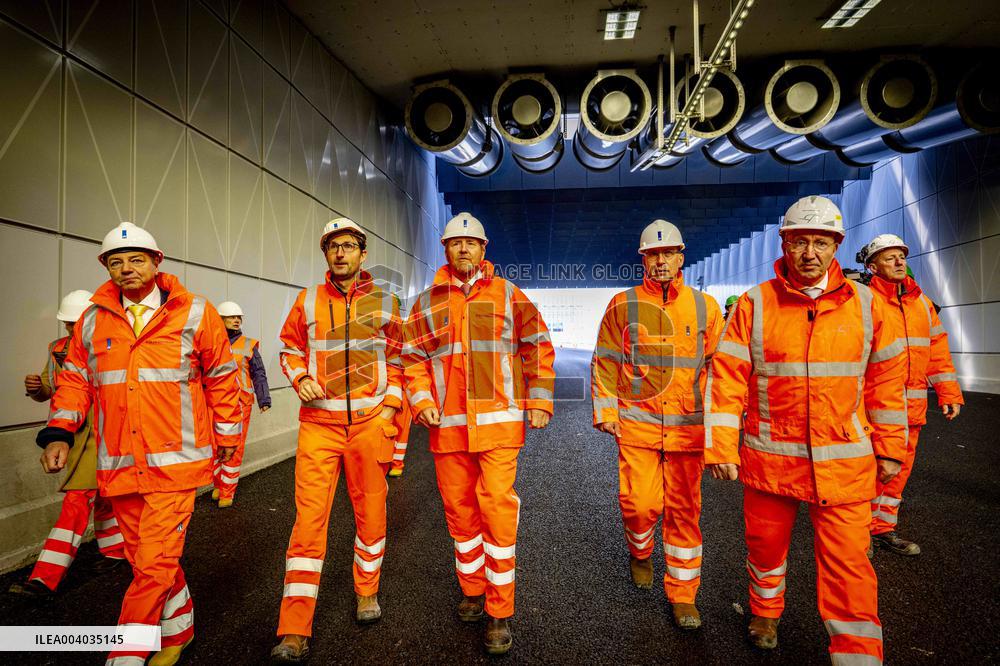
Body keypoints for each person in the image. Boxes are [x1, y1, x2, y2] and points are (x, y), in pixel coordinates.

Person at [704, 196, 907, 663]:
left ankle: (856, 653)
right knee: (765, 548)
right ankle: (765, 611)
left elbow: (887, 382)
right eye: (799, 242)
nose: (809, 253)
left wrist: (892, 446)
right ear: (785, 244)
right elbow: (727, 379)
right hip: (771, 460)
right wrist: (720, 448)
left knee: (850, 566)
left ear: (836, 245)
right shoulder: (755, 304)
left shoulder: (867, 305)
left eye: (820, 242)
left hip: (844, 463)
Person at [37, 222, 243, 665]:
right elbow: (75, 381)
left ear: (156, 262)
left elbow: (223, 378)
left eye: (135, 259)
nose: (126, 268)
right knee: (147, 559)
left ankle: (125, 655)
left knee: (151, 565)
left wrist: (227, 434)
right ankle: (179, 627)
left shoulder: (195, 312)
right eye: (116, 261)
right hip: (119, 463)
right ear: (106, 268)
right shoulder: (92, 321)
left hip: (176, 464)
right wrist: (58, 433)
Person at [402, 211, 555, 655]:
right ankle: (472, 590)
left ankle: (499, 611)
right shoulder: (426, 303)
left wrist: (540, 401)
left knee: (498, 513)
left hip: (499, 427)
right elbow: (410, 358)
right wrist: (421, 399)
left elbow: (538, 346)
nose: (464, 248)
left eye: (471, 243)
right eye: (455, 243)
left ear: (484, 250)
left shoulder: (509, 296)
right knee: (461, 517)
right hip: (447, 429)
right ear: (445, 250)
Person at [271, 217, 403, 662]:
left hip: (369, 424)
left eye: (348, 246)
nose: (340, 253)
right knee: (308, 525)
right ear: (326, 255)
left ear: (363, 253)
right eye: (332, 247)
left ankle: (367, 592)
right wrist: (300, 375)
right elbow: (288, 349)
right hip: (319, 428)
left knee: (371, 513)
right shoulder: (307, 301)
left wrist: (389, 407)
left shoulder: (386, 301)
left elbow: (403, 358)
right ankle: (294, 627)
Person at [591, 219, 723, 629]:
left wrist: (722, 430)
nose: (661, 261)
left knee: (685, 512)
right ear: (643, 260)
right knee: (639, 504)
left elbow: (722, 370)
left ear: (681, 257)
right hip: (638, 425)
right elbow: (607, 361)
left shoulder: (706, 308)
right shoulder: (622, 304)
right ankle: (641, 550)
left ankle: (684, 596)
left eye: (668, 254)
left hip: (687, 427)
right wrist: (607, 412)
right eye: (653, 255)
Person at [11, 290, 125, 598]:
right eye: (69, 324)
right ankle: (116, 553)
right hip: (72, 436)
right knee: (100, 494)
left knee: (78, 499)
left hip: (107, 435)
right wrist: (36, 390)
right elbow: (52, 391)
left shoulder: (110, 347)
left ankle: (44, 578)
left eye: (79, 323)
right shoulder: (56, 349)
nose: (75, 330)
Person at [858, 234, 963, 556]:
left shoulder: (922, 304)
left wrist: (948, 390)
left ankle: (883, 529)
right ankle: (857, 534)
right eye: (890, 258)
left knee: (898, 472)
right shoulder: (863, 300)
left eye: (901, 257)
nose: (900, 262)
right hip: (871, 405)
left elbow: (937, 349)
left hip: (912, 406)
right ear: (873, 266)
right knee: (868, 470)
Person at [211, 301, 272, 507]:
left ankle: (228, 491)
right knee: (214, 447)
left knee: (234, 447)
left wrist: (264, 398)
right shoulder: (211, 342)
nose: (237, 320)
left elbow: (258, 373)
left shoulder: (247, 344)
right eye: (231, 317)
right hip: (215, 404)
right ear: (220, 320)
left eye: (239, 317)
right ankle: (218, 485)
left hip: (239, 404)